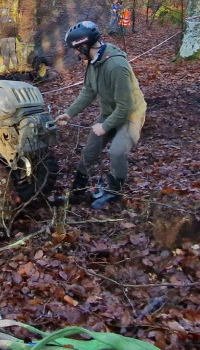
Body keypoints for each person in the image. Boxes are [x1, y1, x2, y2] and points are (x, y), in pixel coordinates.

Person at [54, 21, 146, 209]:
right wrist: (68, 114)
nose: (76, 54)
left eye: (76, 50)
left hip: (130, 114)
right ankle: (77, 193)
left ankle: (114, 193)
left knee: (117, 152)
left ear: (85, 46)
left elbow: (126, 106)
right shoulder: (94, 62)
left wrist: (105, 126)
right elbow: (88, 92)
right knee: (89, 151)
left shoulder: (116, 66)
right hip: (111, 112)